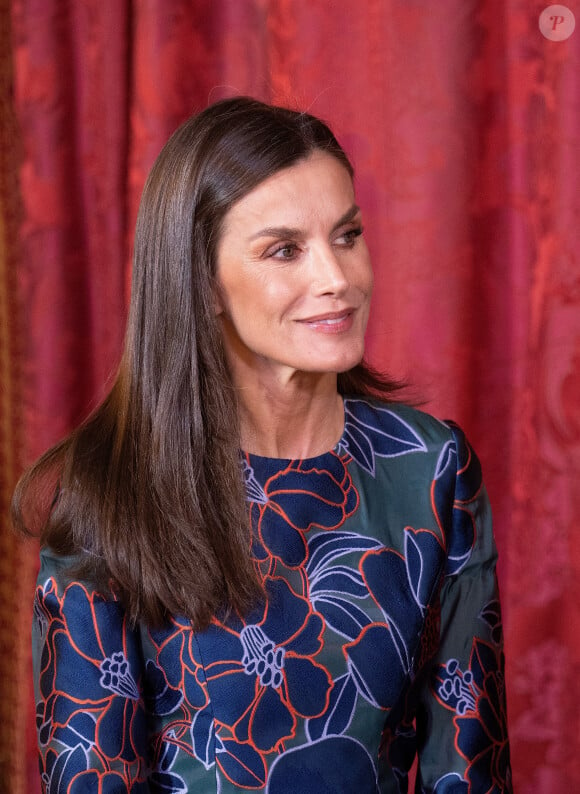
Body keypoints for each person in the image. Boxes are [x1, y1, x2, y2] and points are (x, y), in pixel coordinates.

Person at [14, 96, 512, 793]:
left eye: (347, 234)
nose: (338, 278)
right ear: (204, 283)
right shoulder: (107, 492)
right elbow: (90, 775)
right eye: (285, 249)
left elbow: (469, 766)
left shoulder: (432, 468)